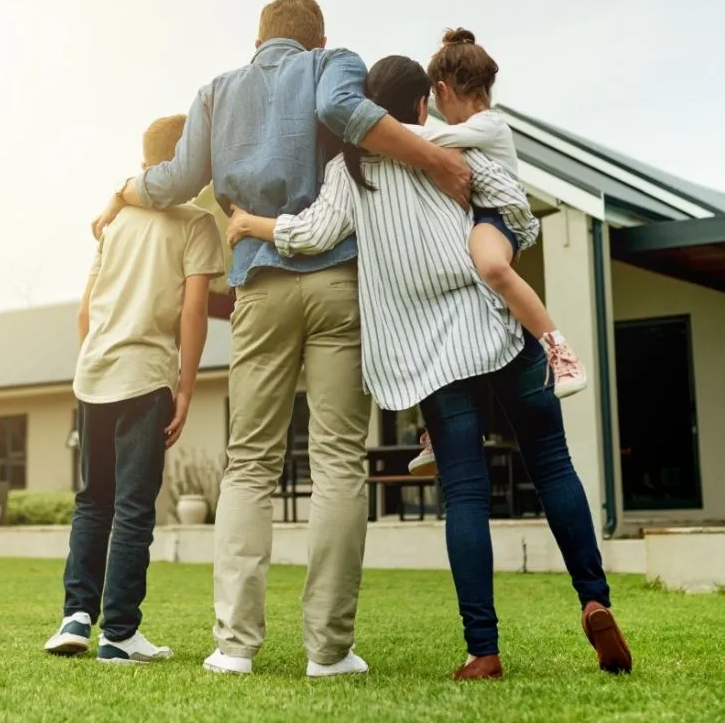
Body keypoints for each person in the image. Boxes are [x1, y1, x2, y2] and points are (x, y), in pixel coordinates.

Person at [93, 0, 473, 678]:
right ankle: (328, 651)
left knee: (250, 464)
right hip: (335, 286)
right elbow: (341, 113)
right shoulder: (334, 62)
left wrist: (127, 187)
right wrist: (434, 158)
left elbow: (178, 179)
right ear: (316, 37)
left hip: (260, 286)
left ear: (260, 39)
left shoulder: (217, 90)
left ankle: (233, 646)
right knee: (335, 462)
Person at [227, 55, 632, 681]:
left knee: (466, 493)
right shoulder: (446, 149)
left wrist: (250, 223)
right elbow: (513, 209)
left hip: (432, 359)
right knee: (552, 464)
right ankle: (594, 598)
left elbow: (310, 234)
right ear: (423, 105)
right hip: (495, 326)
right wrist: (497, 237)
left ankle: (483, 650)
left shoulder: (349, 170)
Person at [44, 113, 224, 665]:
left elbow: (84, 311)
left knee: (92, 501)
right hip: (145, 378)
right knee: (133, 507)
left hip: (94, 374)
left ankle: (76, 617)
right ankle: (118, 633)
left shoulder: (114, 222)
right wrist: (186, 388)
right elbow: (194, 310)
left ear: (144, 163)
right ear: (187, 163)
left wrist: (94, 360)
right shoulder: (196, 224)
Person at [405, 28, 587, 477]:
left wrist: (375, 128)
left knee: (489, 266)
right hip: (476, 224)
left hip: (496, 221)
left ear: (443, 91)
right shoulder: (473, 127)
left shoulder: (487, 125)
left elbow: (427, 143)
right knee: (457, 323)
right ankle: (435, 428)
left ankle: (559, 350)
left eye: (436, 99)